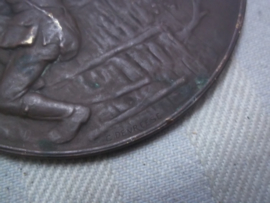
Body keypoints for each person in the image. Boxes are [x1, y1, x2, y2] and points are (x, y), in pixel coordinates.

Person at [0, 0, 91, 143]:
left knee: (5, 99)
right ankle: (31, 80)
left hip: (41, 33)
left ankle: (71, 113)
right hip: (44, 27)